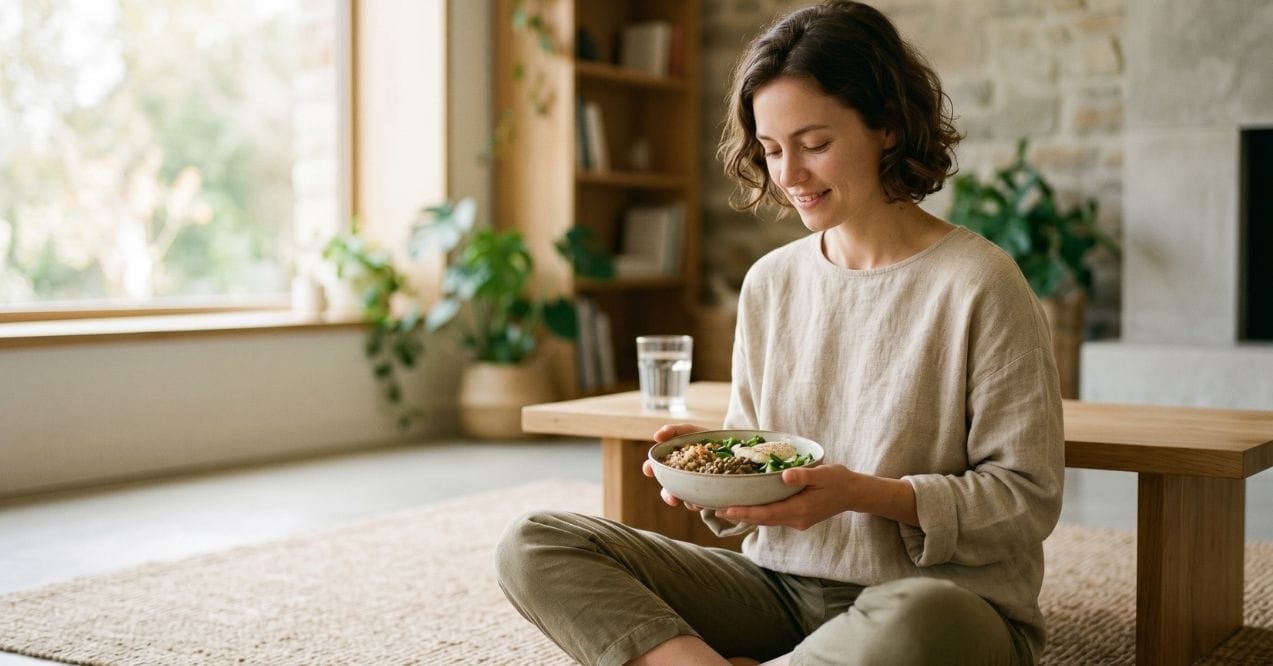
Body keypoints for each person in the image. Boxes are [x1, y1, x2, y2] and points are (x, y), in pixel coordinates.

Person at [496, 1, 1064, 664]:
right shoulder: (770, 281)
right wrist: (718, 473)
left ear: (886, 124)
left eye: (814, 144)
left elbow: (1025, 500)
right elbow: (764, 454)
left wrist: (860, 493)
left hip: (928, 600)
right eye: (769, 150)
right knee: (534, 543)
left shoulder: (980, 282)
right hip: (778, 590)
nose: (788, 175)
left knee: (924, 619)